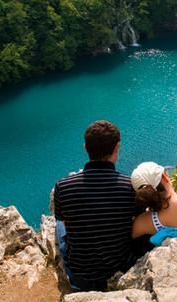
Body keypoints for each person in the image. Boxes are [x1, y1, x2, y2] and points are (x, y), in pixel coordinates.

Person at [54, 120, 152, 291]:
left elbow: (65, 223)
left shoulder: (63, 186)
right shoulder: (129, 187)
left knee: (58, 225)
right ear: (117, 148)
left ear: (85, 147)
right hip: (117, 268)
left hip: (79, 273)